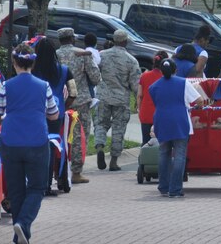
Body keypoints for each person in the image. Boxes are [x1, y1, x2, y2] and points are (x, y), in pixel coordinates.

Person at [0, 43, 59, 244]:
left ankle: (20, 233)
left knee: (16, 189)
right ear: (33, 63)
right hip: (37, 140)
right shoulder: (44, 86)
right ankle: (23, 223)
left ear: (14, 63)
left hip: (11, 141)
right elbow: (54, 114)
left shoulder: (6, 86)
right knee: (37, 187)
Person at [149, 59, 203, 198]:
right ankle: (175, 189)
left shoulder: (153, 86)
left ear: (161, 71)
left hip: (161, 120)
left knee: (163, 153)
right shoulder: (183, 83)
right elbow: (199, 101)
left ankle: (163, 187)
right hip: (180, 120)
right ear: (175, 70)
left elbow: (157, 103)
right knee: (179, 155)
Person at [32, 37, 78, 193]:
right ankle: (47, 184)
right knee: (52, 147)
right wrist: (64, 107)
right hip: (56, 114)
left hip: (35, 113)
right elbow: (73, 93)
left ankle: (33, 181)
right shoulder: (64, 70)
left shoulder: (32, 69)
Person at [56, 28, 101, 183]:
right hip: (80, 101)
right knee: (79, 136)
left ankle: (58, 171)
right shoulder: (82, 54)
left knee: (60, 135)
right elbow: (95, 78)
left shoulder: (55, 54)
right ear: (73, 39)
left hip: (59, 102)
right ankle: (76, 172)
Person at [95, 30, 141, 171]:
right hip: (121, 99)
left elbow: (95, 73)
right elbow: (135, 84)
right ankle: (114, 161)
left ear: (114, 40)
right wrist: (137, 99)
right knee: (118, 129)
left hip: (103, 96)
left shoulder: (102, 56)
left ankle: (99, 147)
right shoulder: (131, 60)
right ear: (125, 41)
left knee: (100, 123)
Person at [137, 51, 170, 146]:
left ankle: (145, 159)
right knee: (162, 143)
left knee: (146, 142)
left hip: (146, 112)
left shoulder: (144, 76)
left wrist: (139, 109)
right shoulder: (166, 77)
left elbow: (139, 95)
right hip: (161, 113)